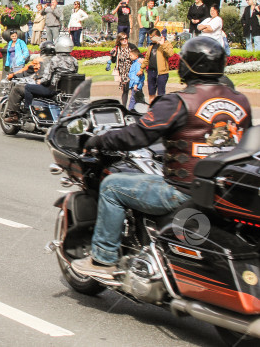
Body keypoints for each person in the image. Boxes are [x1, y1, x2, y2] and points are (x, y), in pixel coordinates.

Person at [71, 37, 252, 280]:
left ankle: (103, 259)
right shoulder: (240, 100)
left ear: (187, 66)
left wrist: (98, 141)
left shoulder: (179, 101)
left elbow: (137, 135)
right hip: (223, 190)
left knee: (112, 186)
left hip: (184, 191)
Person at [21, 36, 78, 117]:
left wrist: (40, 81)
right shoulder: (74, 60)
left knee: (28, 87)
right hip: (66, 91)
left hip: (52, 89)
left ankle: (27, 112)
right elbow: (74, 73)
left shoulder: (54, 60)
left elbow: (47, 78)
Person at [3, 42, 55, 122]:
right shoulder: (58, 60)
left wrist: (13, 75)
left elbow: (26, 71)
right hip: (55, 89)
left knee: (17, 89)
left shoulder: (39, 60)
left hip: (43, 86)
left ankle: (15, 115)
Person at [142, 28, 173, 103]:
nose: (150, 39)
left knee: (161, 94)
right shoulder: (151, 45)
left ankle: (160, 109)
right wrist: (141, 68)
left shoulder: (166, 43)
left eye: (151, 37)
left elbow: (170, 53)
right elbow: (147, 58)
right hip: (151, 71)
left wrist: (162, 44)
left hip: (161, 73)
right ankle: (151, 109)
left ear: (156, 36)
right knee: (151, 92)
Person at [109, 32, 134, 105]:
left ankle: (133, 107)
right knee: (125, 90)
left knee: (134, 89)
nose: (125, 40)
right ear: (119, 40)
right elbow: (113, 61)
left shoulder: (131, 46)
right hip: (122, 71)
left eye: (126, 38)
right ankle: (124, 106)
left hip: (131, 70)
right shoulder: (117, 48)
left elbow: (138, 55)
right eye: (122, 39)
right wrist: (112, 55)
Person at [126, 46, 145, 110]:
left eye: (131, 56)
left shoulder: (137, 64)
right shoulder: (134, 63)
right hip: (135, 83)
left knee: (133, 98)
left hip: (136, 83)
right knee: (138, 97)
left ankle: (130, 110)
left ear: (136, 56)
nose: (130, 57)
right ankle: (139, 109)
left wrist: (135, 84)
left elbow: (137, 75)